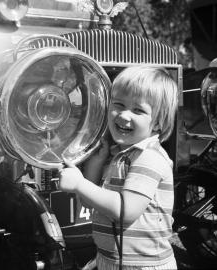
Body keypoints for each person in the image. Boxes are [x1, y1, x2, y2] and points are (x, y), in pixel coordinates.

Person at [59, 66, 178, 270]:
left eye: (138, 110)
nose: (123, 115)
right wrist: (97, 162)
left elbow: (125, 210)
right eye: (118, 104)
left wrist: (79, 183)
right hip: (111, 260)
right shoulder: (120, 155)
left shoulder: (149, 157)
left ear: (158, 122)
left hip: (144, 265)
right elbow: (88, 202)